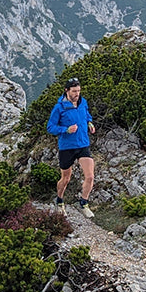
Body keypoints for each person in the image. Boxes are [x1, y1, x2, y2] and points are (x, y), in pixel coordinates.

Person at [47, 77, 96, 216]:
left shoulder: (82, 102)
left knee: (90, 176)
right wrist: (66, 130)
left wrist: (90, 123)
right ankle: (60, 200)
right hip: (67, 147)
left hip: (83, 144)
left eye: (79, 91)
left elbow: (86, 114)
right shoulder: (59, 107)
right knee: (66, 178)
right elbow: (50, 127)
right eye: (74, 91)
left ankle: (84, 203)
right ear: (66, 91)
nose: (77, 94)